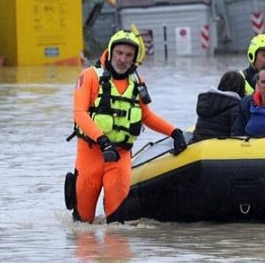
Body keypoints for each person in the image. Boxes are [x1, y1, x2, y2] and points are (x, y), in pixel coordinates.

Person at [66, 29, 187, 223]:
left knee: (117, 223)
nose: (123, 59)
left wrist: (174, 132)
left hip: (120, 156)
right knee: (83, 222)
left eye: (129, 55)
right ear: (111, 52)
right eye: (119, 53)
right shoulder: (89, 76)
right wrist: (102, 140)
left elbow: (146, 115)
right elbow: (79, 114)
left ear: (135, 59)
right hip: (91, 153)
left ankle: (116, 252)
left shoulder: (137, 82)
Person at [191, 70, 246, 142]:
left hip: (197, 144)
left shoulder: (206, 102)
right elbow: (236, 136)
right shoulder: (236, 108)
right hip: (219, 148)